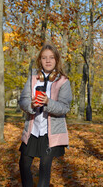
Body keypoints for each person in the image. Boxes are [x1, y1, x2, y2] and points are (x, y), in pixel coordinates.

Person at [19, 42, 72, 187]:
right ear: (39, 60)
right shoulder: (33, 78)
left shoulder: (63, 81)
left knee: (44, 168)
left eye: (51, 57)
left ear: (56, 60)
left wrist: (48, 102)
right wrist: (31, 104)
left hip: (51, 133)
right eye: (44, 58)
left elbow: (64, 107)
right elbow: (22, 100)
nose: (48, 61)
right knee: (23, 165)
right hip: (32, 130)